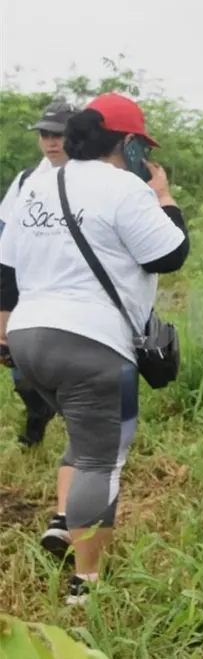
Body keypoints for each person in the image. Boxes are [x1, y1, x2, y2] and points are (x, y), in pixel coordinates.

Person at [0, 93, 189, 605]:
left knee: (83, 443)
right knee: (100, 461)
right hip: (89, 341)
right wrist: (165, 197)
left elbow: (8, 265)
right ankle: (87, 584)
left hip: (29, 336)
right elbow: (170, 254)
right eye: (139, 146)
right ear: (126, 143)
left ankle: (65, 523)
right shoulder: (124, 188)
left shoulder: (38, 185)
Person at [0, 100, 78, 447]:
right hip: (30, 289)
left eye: (59, 135)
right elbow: (5, 245)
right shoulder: (26, 181)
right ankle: (38, 416)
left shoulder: (94, 179)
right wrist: (4, 307)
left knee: (75, 370)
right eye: (45, 134)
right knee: (21, 369)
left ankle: (83, 439)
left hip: (75, 291)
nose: (51, 142)